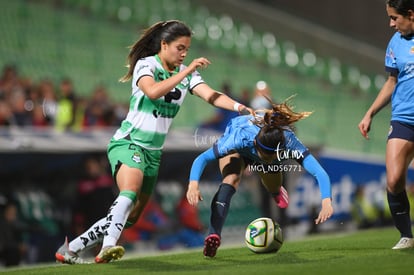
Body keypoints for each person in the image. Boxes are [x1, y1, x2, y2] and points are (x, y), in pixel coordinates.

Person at [55, 20, 250, 264]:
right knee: (130, 191)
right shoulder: (146, 65)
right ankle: (107, 247)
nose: (184, 54)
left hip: (153, 153)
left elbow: (211, 96)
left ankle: (71, 248)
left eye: (187, 49)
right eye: (180, 48)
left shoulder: (185, 71)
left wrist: (240, 107)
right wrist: (187, 71)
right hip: (129, 142)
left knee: (131, 215)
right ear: (164, 44)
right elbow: (153, 91)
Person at [186, 96, 333, 257]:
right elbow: (201, 159)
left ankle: (275, 190)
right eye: (265, 154)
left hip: (264, 159)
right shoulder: (238, 138)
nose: (268, 157)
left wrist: (326, 201)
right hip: (241, 150)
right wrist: (193, 184)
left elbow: (319, 172)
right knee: (231, 178)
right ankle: (213, 234)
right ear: (256, 144)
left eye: (272, 155)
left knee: (271, 180)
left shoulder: (289, 142)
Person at [358, 0, 414, 250]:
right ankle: (406, 236)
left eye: (394, 18)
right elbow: (392, 82)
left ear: (410, 14)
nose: (391, 24)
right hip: (403, 118)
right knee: (393, 181)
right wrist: (370, 113)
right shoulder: (395, 43)